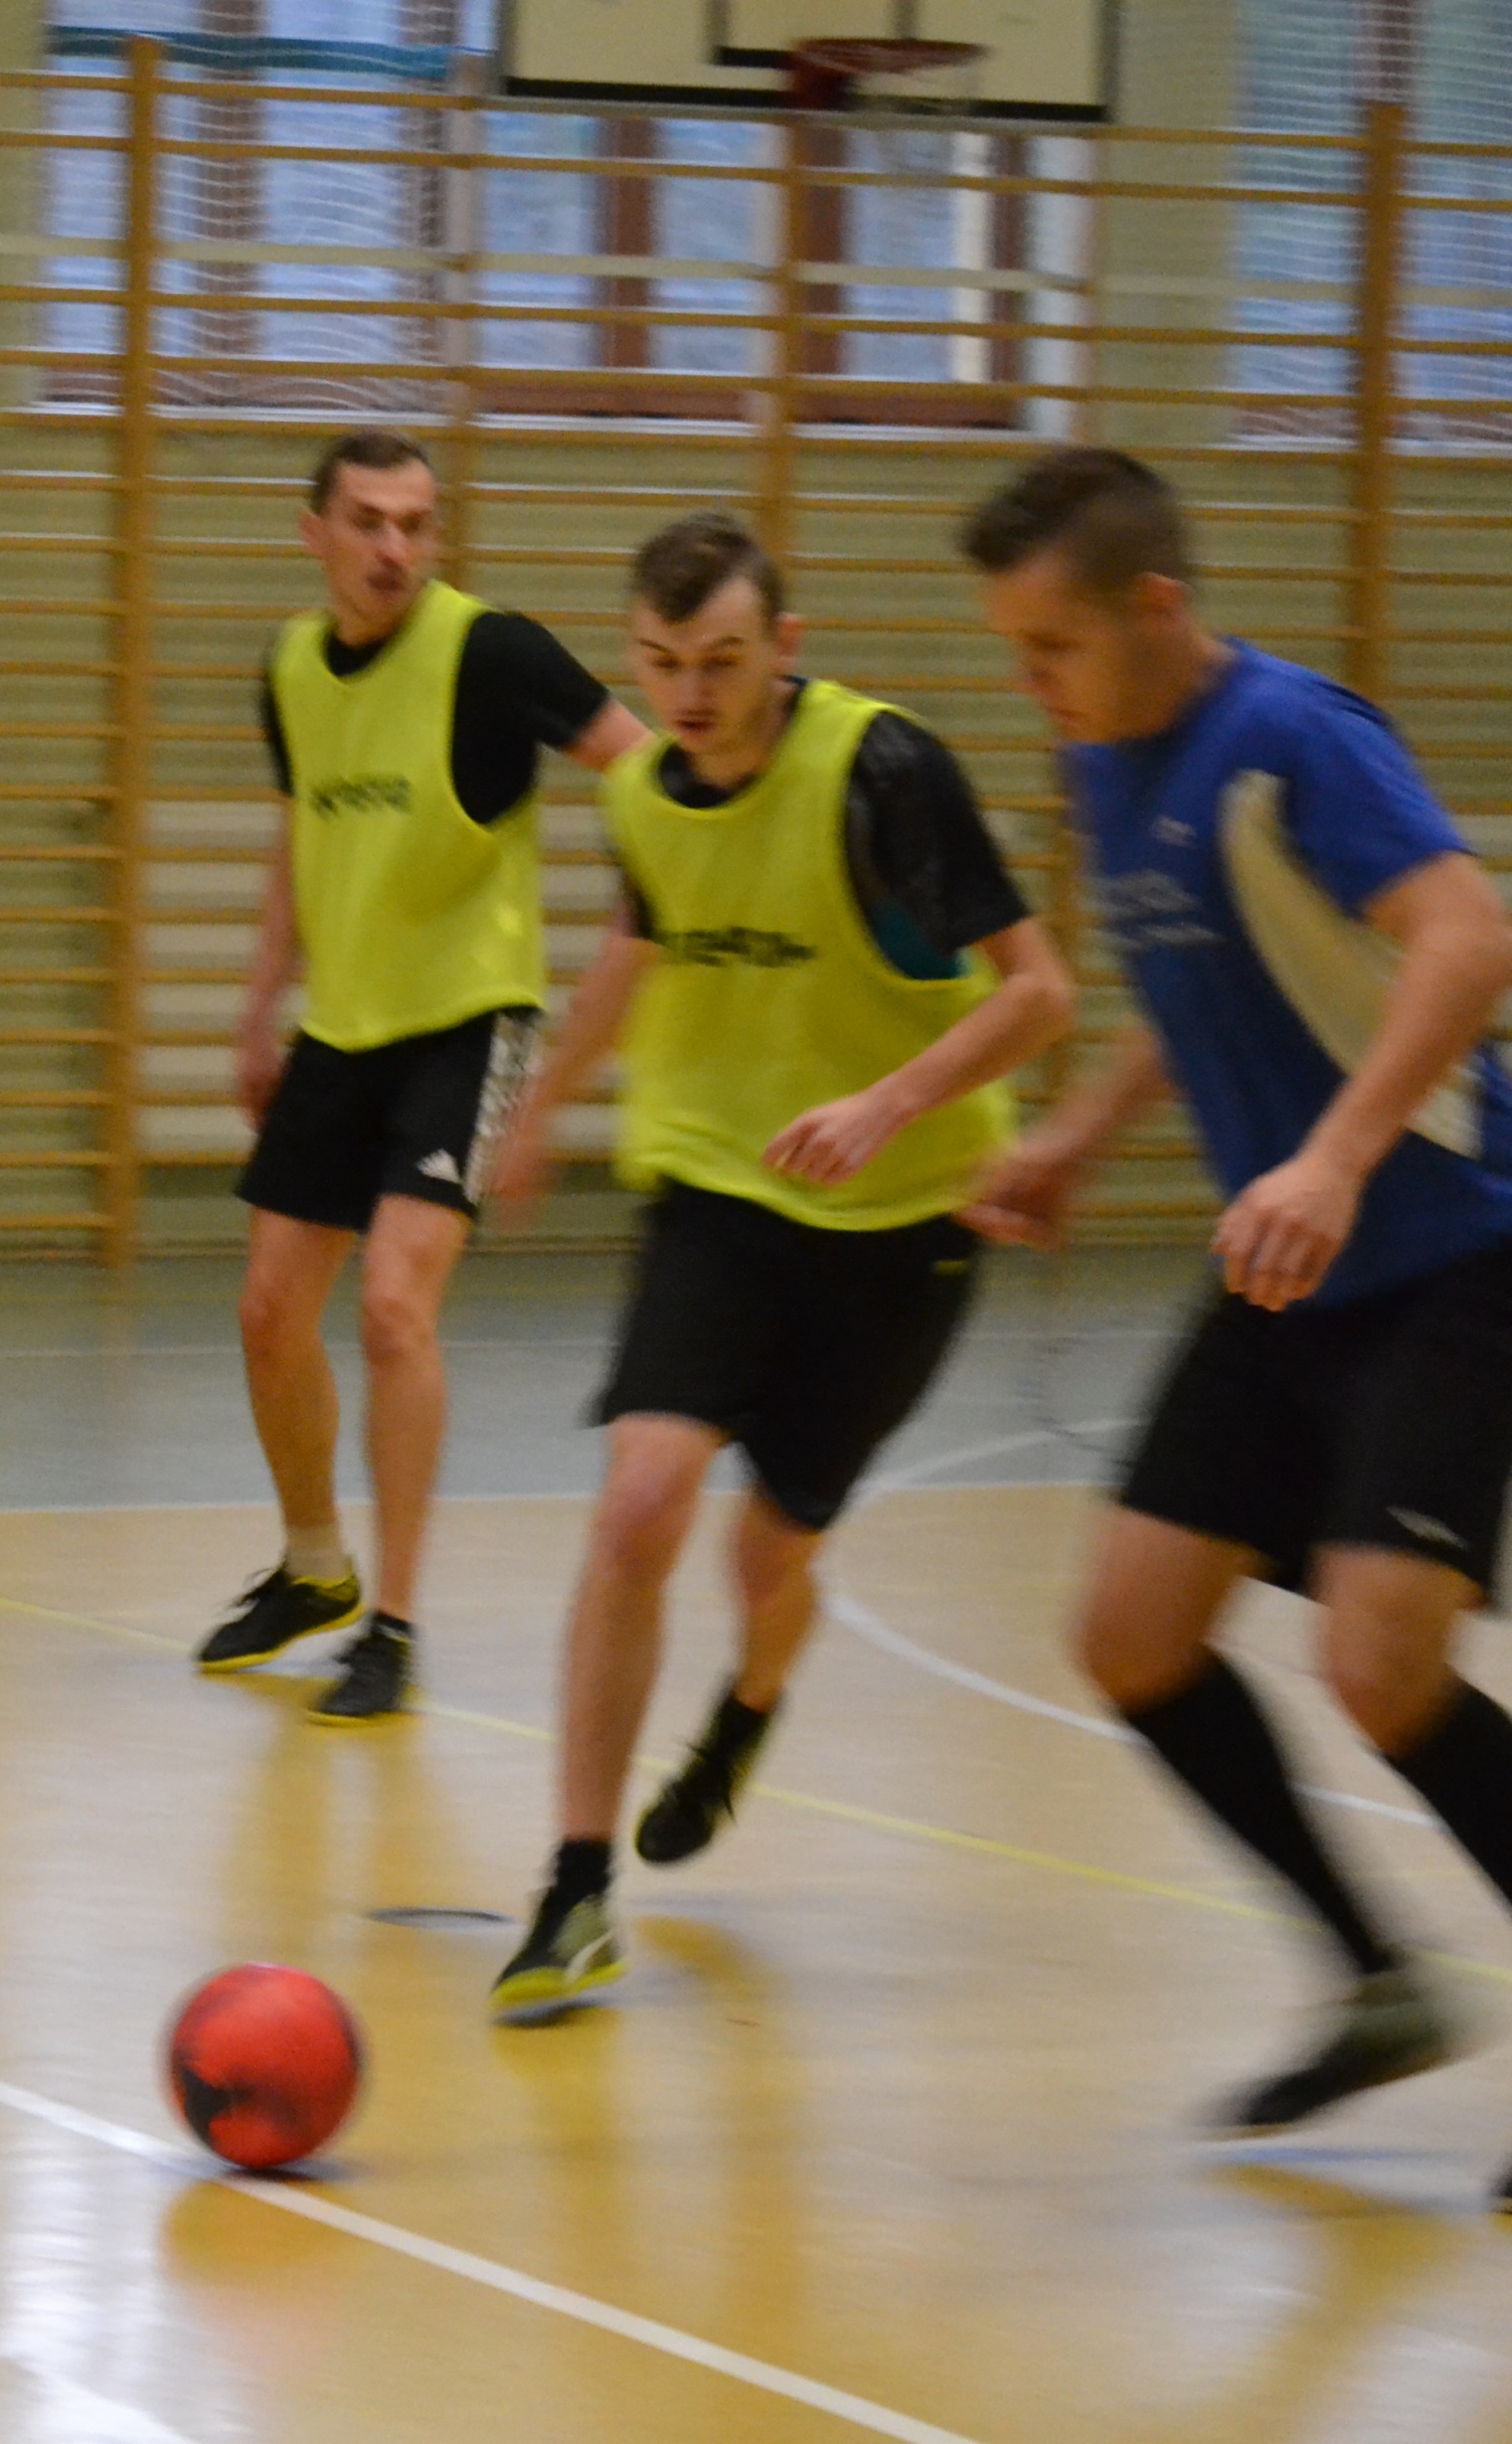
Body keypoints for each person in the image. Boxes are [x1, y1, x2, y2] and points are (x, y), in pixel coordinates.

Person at [962, 447, 1512, 2184]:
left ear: (1157, 606)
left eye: (1051, 646)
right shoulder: (1105, 757)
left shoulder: (1292, 737)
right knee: (1130, 1634)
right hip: (1286, 1268)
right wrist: (1076, 1133)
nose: (1031, 684)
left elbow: (1465, 937)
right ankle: (1375, 1980)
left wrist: (1334, 1157)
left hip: (1447, 1247)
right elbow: (1197, 971)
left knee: (1378, 1662)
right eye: (1013, 651)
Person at [476, 512, 1072, 2023]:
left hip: (898, 1218)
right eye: (661, 663)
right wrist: (537, 1107)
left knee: (768, 1557)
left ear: (782, 649)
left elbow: (1038, 993)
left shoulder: (883, 769)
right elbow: (638, 941)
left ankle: (746, 1705)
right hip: (715, 1193)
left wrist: (885, 1106)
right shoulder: (642, 793)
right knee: (639, 1502)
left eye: (722, 662)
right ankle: (572, 1886)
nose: (689, 694)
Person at [209, 428, 653, 1721]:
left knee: (393, 1307)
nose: (393, 546)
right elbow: (297, 835)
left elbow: (648, 768)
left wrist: (645, 909)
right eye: (367, 520)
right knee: (266, 1312)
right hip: (342, 1027)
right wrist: (258, 1006)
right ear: (315, 534)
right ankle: (314, 1568)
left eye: (415, 522)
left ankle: (392, 1625)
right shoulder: (291, 667)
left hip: (468, 1022)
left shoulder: (489, 652)